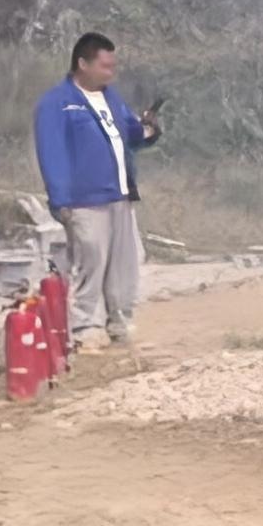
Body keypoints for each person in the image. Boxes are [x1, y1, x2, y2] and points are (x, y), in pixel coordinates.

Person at [31, 32, 161, 350]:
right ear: (83, 63)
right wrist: (60, 200)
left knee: (123, 266)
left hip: (119, 195)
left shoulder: (111, 98)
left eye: (112, 66)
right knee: (90, 262)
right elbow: (51, 153)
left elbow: (130, 134)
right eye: (105, 66)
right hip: (84, 200)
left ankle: (120, 323)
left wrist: (149, 129)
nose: (110, 73)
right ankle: (83, 328)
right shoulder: (57, 103)